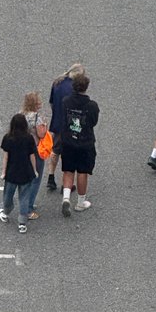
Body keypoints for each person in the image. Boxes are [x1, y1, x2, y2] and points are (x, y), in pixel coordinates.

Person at [59, 71, 99, 215]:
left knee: (68, 170)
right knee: (82, 171)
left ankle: (66, 198)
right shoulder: (91, 105)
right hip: (85, 142)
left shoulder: (65, 101)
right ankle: (81, 203)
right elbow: (93, 122)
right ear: (86, 87)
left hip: (68, 140)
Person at [46, 63, 84, 192]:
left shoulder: (57, 82)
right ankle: (66, 185)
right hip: (70, 126)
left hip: (57, 122)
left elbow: (51, 102)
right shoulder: (74, 88)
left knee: (55, 150)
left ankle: (50, 178)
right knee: (69, 154)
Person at [0, 113, 37, 234]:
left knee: (8, 195)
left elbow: (6, 157)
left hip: (12, 173)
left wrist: (3, 172)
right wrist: (35, 171)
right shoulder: (29, 138)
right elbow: (32, 156)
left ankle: (6, 211)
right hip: (26, 173)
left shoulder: (8, 138)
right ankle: (22, 223)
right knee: (24, 198)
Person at [22, 91, 48, 219]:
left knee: (25, 179)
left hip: (22, 150)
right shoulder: (38, 118)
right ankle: (28, 208)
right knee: (35, 179)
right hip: (35, 151)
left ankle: (24, 202)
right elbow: (42, 134)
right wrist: (45, 126)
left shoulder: (21, 115)